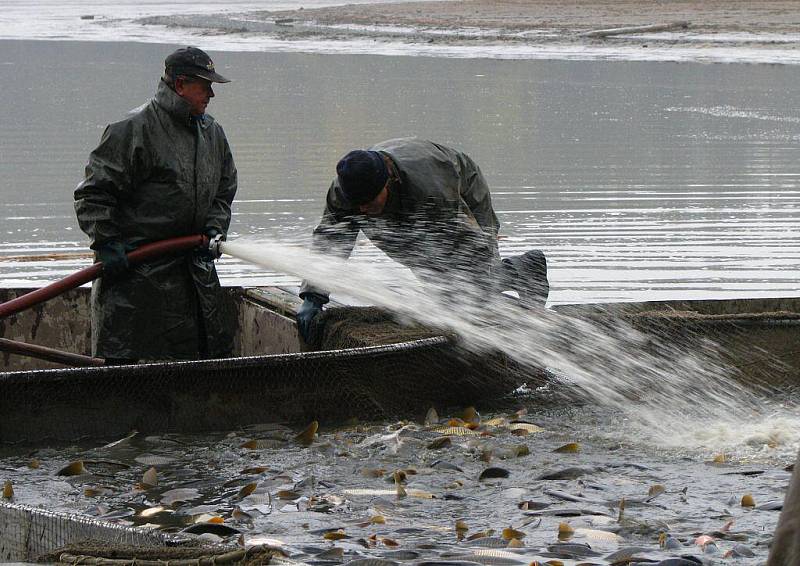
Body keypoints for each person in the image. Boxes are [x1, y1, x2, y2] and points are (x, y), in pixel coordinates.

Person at [74, 46, 237, 363]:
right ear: (180, 85)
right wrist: (107, 242)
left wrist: (214, 229)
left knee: (196, 367)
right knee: (135, 375)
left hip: (195, 277)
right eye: (205, 85)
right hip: (137, 282)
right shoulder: (133, 130)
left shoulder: (213, 133)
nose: (211, 94)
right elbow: (93, 194)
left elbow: (224, 187)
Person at [296, 137, 548, 342]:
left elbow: (470, 243)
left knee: (475, 288)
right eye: (357, 205)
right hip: (404, 207)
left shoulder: (431, 191)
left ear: (387, 183)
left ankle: (526, 267)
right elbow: (330, 240)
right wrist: (313, 296)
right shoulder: (345, 191)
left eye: (369, 203)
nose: (361, 211)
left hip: (463, 191)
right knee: (444, 290)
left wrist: (474, 284)